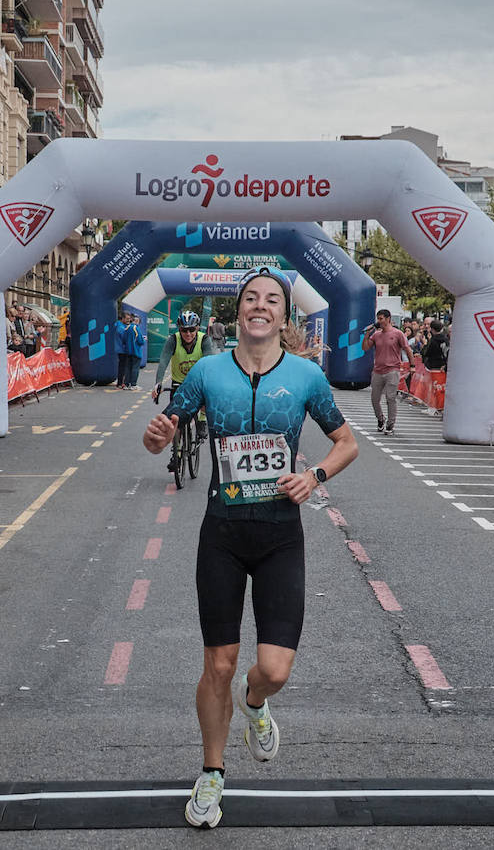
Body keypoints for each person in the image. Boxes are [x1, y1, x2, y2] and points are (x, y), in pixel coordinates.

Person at [141, 266, 357, 830]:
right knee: (219, 663)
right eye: (251, 299)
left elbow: (346, 442)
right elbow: (164, 427)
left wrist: (314, 475)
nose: (259, 307)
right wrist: (156, 436)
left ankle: (256, 705)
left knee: (274, 669)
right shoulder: (209, 372)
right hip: (223, 534)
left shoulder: (307, 378)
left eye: (271, 301)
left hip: (281, 536)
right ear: (238, 311)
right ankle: (212, 774)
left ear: (284, 316)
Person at [153, 310, 214, 460]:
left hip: (198, 382)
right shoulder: (173, 340)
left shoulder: (204, 340)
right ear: (179, 329)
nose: (188, 333)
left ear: (198, 328)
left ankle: (202, 420)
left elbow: (208, 365)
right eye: (184, 330)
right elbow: (163, 362)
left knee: (207, 394)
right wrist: (158, 383)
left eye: (192, 329)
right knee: (175, 419)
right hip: (179, 384)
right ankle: (177, 451)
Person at [362, 309, 412, 434]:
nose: (379, 321)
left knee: (390, 397)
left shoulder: (397, 333)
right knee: (374, 398)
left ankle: (390, 424)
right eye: (378, 319)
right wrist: (367, 335)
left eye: (381, 318)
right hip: (378, 370)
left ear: (388, 319)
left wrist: (412, 365)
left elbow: (407, 349)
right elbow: (365, 348)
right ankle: (380, 419)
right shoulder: (376, 335)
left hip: (392, 370)